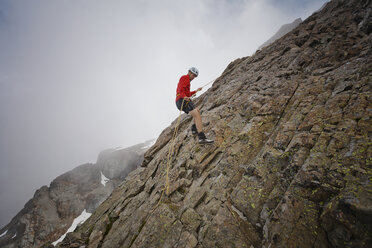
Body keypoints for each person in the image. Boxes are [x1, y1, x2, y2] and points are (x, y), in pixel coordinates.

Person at [176, 67, 214, 144]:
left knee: (197, 111)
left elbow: (187, 93)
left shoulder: (187, 81)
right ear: (189, 72)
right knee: (196, 114)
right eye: (193, 75)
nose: (194, 77)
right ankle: (201, 138)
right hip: (181, 100)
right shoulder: (185, 77)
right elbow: (180, 89)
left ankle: (194, 128)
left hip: (182, 99)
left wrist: (196, 90)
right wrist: (184, 96)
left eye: (195, 76)